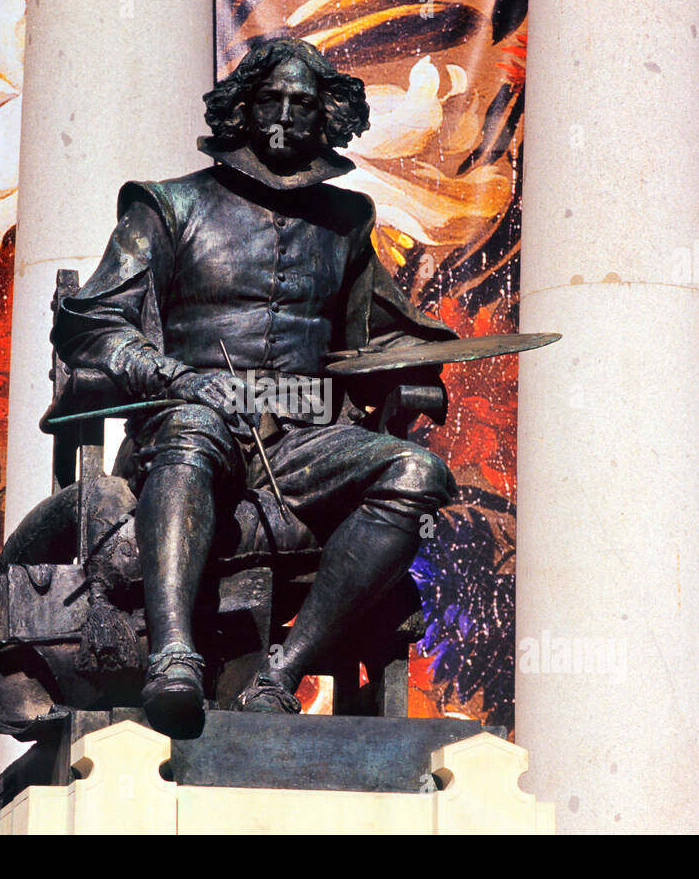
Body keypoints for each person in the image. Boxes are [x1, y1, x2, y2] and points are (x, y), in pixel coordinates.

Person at [53, 38, 459, 737]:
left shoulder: (346, 222)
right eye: (270, 98)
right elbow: (92, 321)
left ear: (325, 116)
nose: (284, 115)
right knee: (192, 428)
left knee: (418, 470)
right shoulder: (166, 205)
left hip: (307, 440)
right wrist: (174, 377)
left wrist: (421, 363)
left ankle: (282, 673)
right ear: (241, 108)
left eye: (303, 104)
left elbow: (381, 332)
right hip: (189, 424)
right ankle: (173, 659)